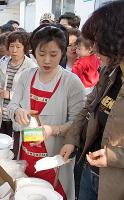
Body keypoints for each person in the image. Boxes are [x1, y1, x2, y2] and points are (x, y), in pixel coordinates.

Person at [8, 26, 85, 199]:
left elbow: (79, 122)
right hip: (26, 153)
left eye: (53, 54)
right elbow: (12, 106)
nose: (47, 60)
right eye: (41, 54)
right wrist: (18, 111)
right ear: (33, 52)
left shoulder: (72, 82)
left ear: (63, 52)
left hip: (55, 158)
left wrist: (52, 130)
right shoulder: (25, 76)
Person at [60, 2, 124, 200]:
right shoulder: (109, 72)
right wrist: (72, 138)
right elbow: (88, 106)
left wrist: (113, 156)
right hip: (90, 169)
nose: (93, 49)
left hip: (116, 181)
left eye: (97, 41)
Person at [0, 31, 37, 147]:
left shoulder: (31, 67)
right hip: (2, 113)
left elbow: (31, 93)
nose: (14, 50)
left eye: (18, 47)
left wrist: (10, 95)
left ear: (25, 48)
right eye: (11, 46)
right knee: (0, 146)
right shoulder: (3, 64)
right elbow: (0, 86)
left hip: (18, 114)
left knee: (16, 148)